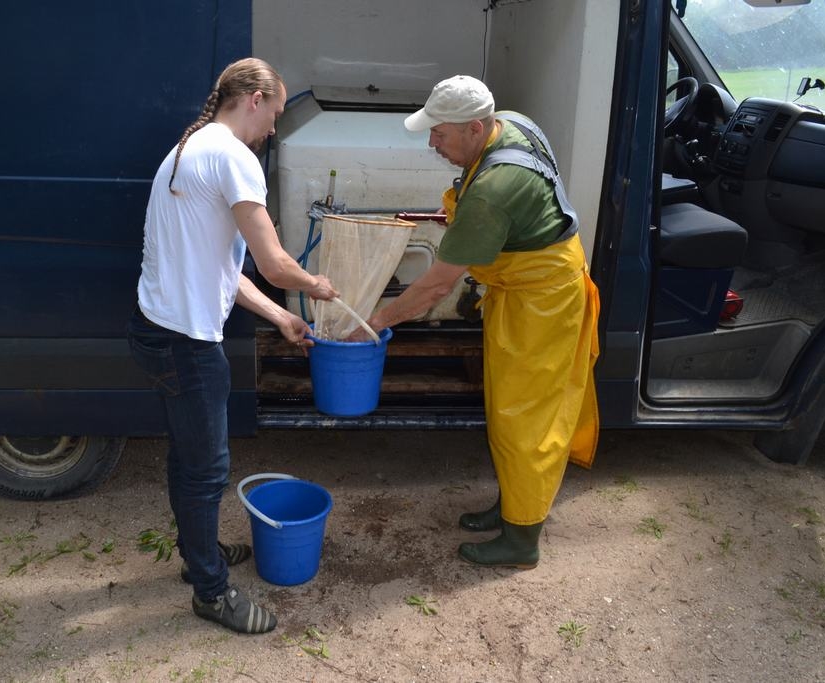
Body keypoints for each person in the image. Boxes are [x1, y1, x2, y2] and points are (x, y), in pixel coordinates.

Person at [348, 75, 600, 568]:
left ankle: (522, 540)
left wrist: (375, 322)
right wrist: (460, 224)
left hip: (542, 304)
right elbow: (502, 213)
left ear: (476, 128)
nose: (432, 144)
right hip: (525, 294)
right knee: (505, 409)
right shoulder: (514, 125)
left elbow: (436, 287)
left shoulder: (493, 190)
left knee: (526, 420)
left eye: (439, 134)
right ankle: (513, 507)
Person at [127, 57, 338, 633]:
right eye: (274, 112)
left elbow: (227, 266)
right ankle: (211, 592)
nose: (273, 127)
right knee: (206, 469)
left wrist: (279, 317)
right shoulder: (235, 157)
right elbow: (272, 262)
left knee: (188, 457)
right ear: (256, 98)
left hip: (156, 332)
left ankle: (200, 557)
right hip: (185, 343)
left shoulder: (189, 148)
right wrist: (313, 285)